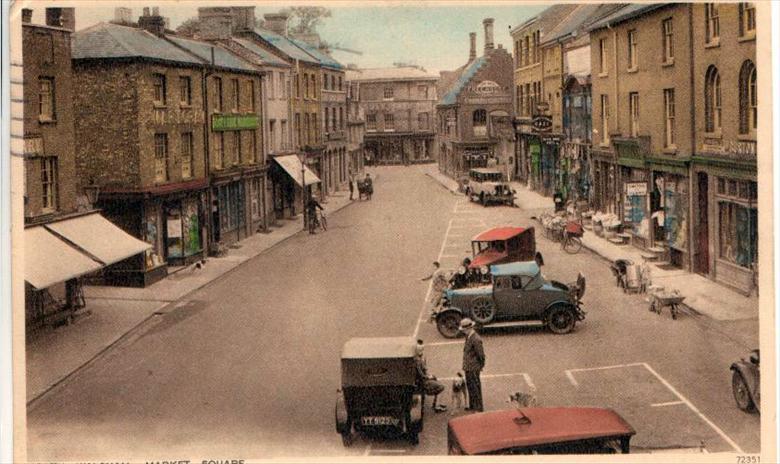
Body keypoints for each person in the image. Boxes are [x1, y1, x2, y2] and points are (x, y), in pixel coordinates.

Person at [460, 318, 485, 412]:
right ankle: (473, 405)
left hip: (473, 367)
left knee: (475, 388)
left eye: (463, 330)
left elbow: (481, 355)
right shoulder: (469, 336)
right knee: (470, 386)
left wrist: (480, 366)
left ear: (468, 328)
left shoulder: (476, 339)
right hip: (468, 367)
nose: (463, 332)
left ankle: (478, 408)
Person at [415, 340, 447, 412]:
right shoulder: (417, 361)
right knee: (441, 387)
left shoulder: (420, 358)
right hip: (422, 382)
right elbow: (421, 374)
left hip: (423, 380)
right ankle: (436, 406)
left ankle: (436, 404)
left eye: (422, 349)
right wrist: (429, 376)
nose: (421, 351)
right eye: (419, 349)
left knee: (436, 381)